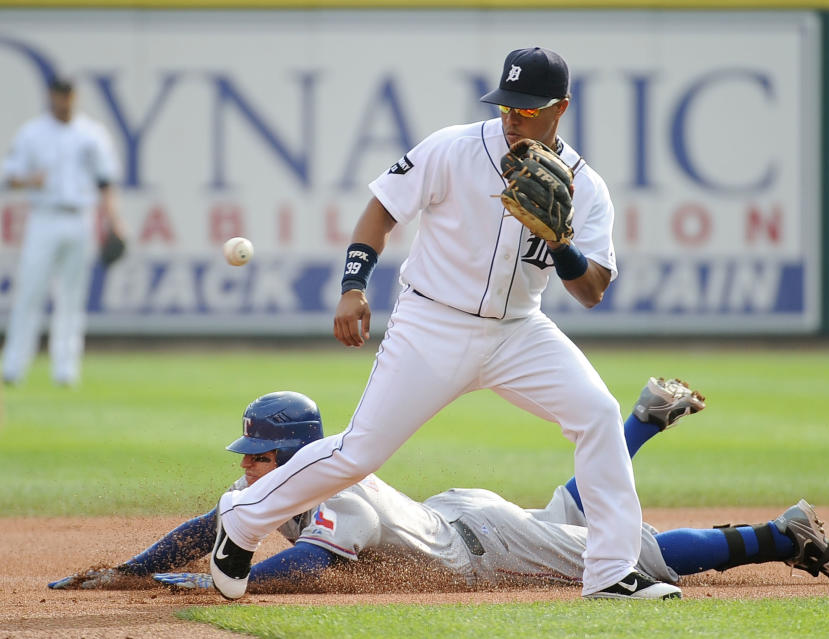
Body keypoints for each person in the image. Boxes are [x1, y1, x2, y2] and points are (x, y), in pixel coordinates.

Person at [211, 45, 661, 602]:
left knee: (597, 413)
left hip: (519, 331)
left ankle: (612, 572)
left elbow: (591, 290)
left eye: (527, 107)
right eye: (506, 104)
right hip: (433, 324)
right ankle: (243, 517)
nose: (513, 116)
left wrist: (558, 243)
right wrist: (354, 286)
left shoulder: (585, 186)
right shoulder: (454, 148)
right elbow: (381, 210)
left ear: (560, 108)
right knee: (360, 453)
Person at [48, 379, 829, 595]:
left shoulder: (341, 496)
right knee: (567, 521)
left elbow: (309, 570)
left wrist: (218, 577)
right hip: (457, 517)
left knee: (625, 552)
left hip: (478, 543)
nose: (247, 465)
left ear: (287, 453)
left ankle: (784, 533)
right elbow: (210, 521)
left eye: (258, 454)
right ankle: (640, 422)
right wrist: (135, 567)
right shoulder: (273, 483)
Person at [1, 76, 123, 387]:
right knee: (30, 291)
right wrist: (29, 181)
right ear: (50, 96)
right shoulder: (33, 133)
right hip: (44, 216)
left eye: (68, 95)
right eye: (59, 95)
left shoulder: (91, 134)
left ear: (75, 97)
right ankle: (14, 365)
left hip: (79, 216)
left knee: (72, 296)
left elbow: (105, 181)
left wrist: (114, 222)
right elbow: (7, 174)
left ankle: (66, 370)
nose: (63, 101)